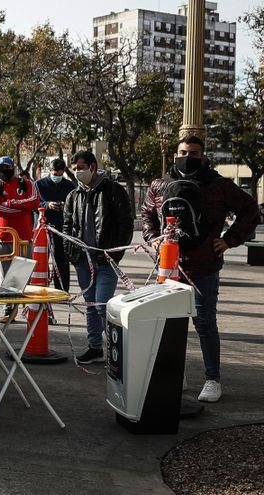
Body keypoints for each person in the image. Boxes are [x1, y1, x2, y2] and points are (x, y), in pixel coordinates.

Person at [141, 136, 258, 402]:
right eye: (183, 152)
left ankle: (212, 379)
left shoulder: (219, 185)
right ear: (175, 155)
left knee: (204, 323)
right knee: (170, 324)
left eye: (194, 153)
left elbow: (250, 209)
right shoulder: (160, 184)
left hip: (204, 266)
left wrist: (229, 240)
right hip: (168, 267)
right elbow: (147, 213)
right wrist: (153, 238)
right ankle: (175, 374)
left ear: (203, 157)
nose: (188, 157)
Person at [62, 151, 134, 365]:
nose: (77, 172)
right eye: (74, 169)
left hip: (106, 260)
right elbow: (67, 226)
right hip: (82, 260)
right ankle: (95, 347)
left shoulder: (113, 190)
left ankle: (117, 349)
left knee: (102, 305)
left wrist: (115, 252)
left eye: (81, 168)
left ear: (93, 167)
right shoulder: (73, 195)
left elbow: (125, 223)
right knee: (90, 305)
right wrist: (71, 252)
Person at [0, 156, 39, 321]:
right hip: (1, 239)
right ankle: (8, 309)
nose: (4, 171)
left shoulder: (27, 184)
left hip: (23, 238)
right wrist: (22, 209)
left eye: (7, 168)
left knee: (21, 277)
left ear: (13, 167)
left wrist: (10, 203)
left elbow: (35, 202)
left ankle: (17, 307)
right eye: (1, 169)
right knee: (5, 278)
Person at [35, 158, 77, 291]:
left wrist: (65, 206)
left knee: (62, 261)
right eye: (55, 174)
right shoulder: (39, 184)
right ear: (50, 171)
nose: (57, 177)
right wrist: (47, 205)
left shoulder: (69, 185)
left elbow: (75, 204)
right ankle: (41, 289)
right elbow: (34, 204)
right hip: (43, 228)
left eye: (60, 174)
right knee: (41, 260)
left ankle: (62, 290)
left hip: (62, 228)